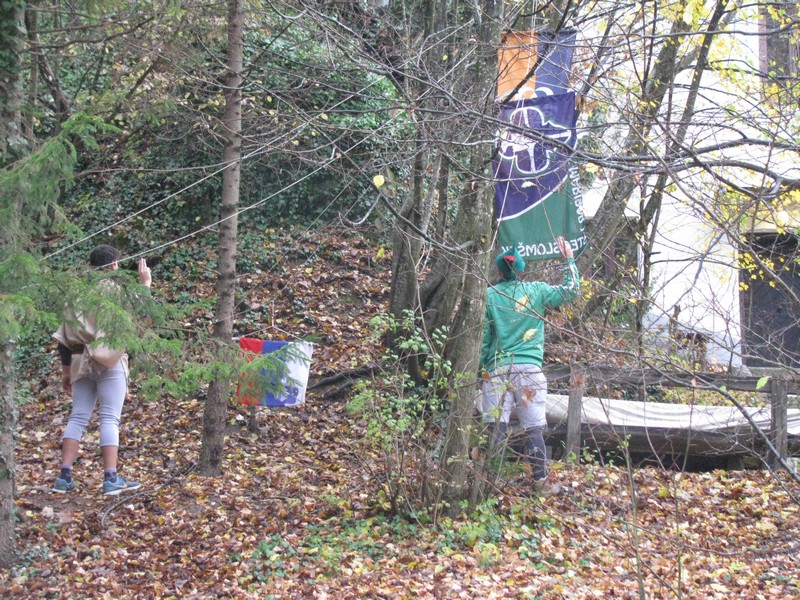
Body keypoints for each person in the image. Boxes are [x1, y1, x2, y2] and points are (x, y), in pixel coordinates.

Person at [479, 236, 580, 498]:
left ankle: (489, 487)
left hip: (497, 371)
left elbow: (485, 339)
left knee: (496, 428)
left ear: (499, 271)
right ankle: (540, 484)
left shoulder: (489, 296)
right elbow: (571, 291)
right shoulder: (537, 291)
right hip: (529, 374)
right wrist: (568, 259)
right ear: (522, 271)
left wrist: (482, 370)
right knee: (534, 429)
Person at [51, 244, 152, 496]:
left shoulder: (77, 293)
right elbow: (142, 316)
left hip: (78, 359)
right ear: (114, 265)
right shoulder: (116, 291)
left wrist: (66, 371)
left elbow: (64, 337)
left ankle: (64, 476)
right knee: (109, 418)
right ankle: (110, 478)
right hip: (109, 359)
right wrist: (145, 283)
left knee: (77, 417)